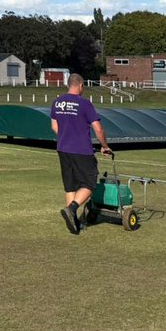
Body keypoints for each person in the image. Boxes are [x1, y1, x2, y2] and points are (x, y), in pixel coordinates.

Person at [50, 73, 112, 235]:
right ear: (81, 85)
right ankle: (72, 209)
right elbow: (98, 128)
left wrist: (66, 137)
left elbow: (54, 127)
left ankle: (74, 223)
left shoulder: (57, 102)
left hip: (63, 148)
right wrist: (104, 146)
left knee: (70, 185)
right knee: (89, 183)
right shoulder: (85, 104)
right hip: (81, 150)